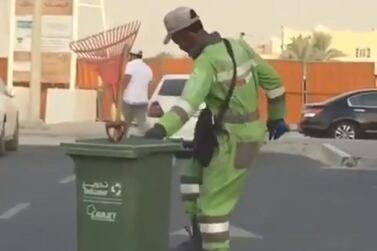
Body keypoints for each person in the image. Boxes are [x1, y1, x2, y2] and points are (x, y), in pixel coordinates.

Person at [145, 6, 289, 251]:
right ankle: (198, 239)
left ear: (185, 35)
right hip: (234, 134)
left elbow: (186, 105)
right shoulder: (238, 47)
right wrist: (276, 117)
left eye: (177, 41)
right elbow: (274, 83)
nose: (178, 47)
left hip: (235, 140)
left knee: (214, 210)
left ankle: (211, 245)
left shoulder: (206, 62)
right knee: (191, 176)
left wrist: (160, 129)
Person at [120, 50, 153, 136]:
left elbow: (126, 80)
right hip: (143, 101)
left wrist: (119, 93)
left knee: (124, 122)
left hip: (129, 100)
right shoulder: (147, 68)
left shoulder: (130, 65)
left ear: (132, 56)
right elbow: (149, 86)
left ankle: (120, 139)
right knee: (142, 123)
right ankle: (152, 137)